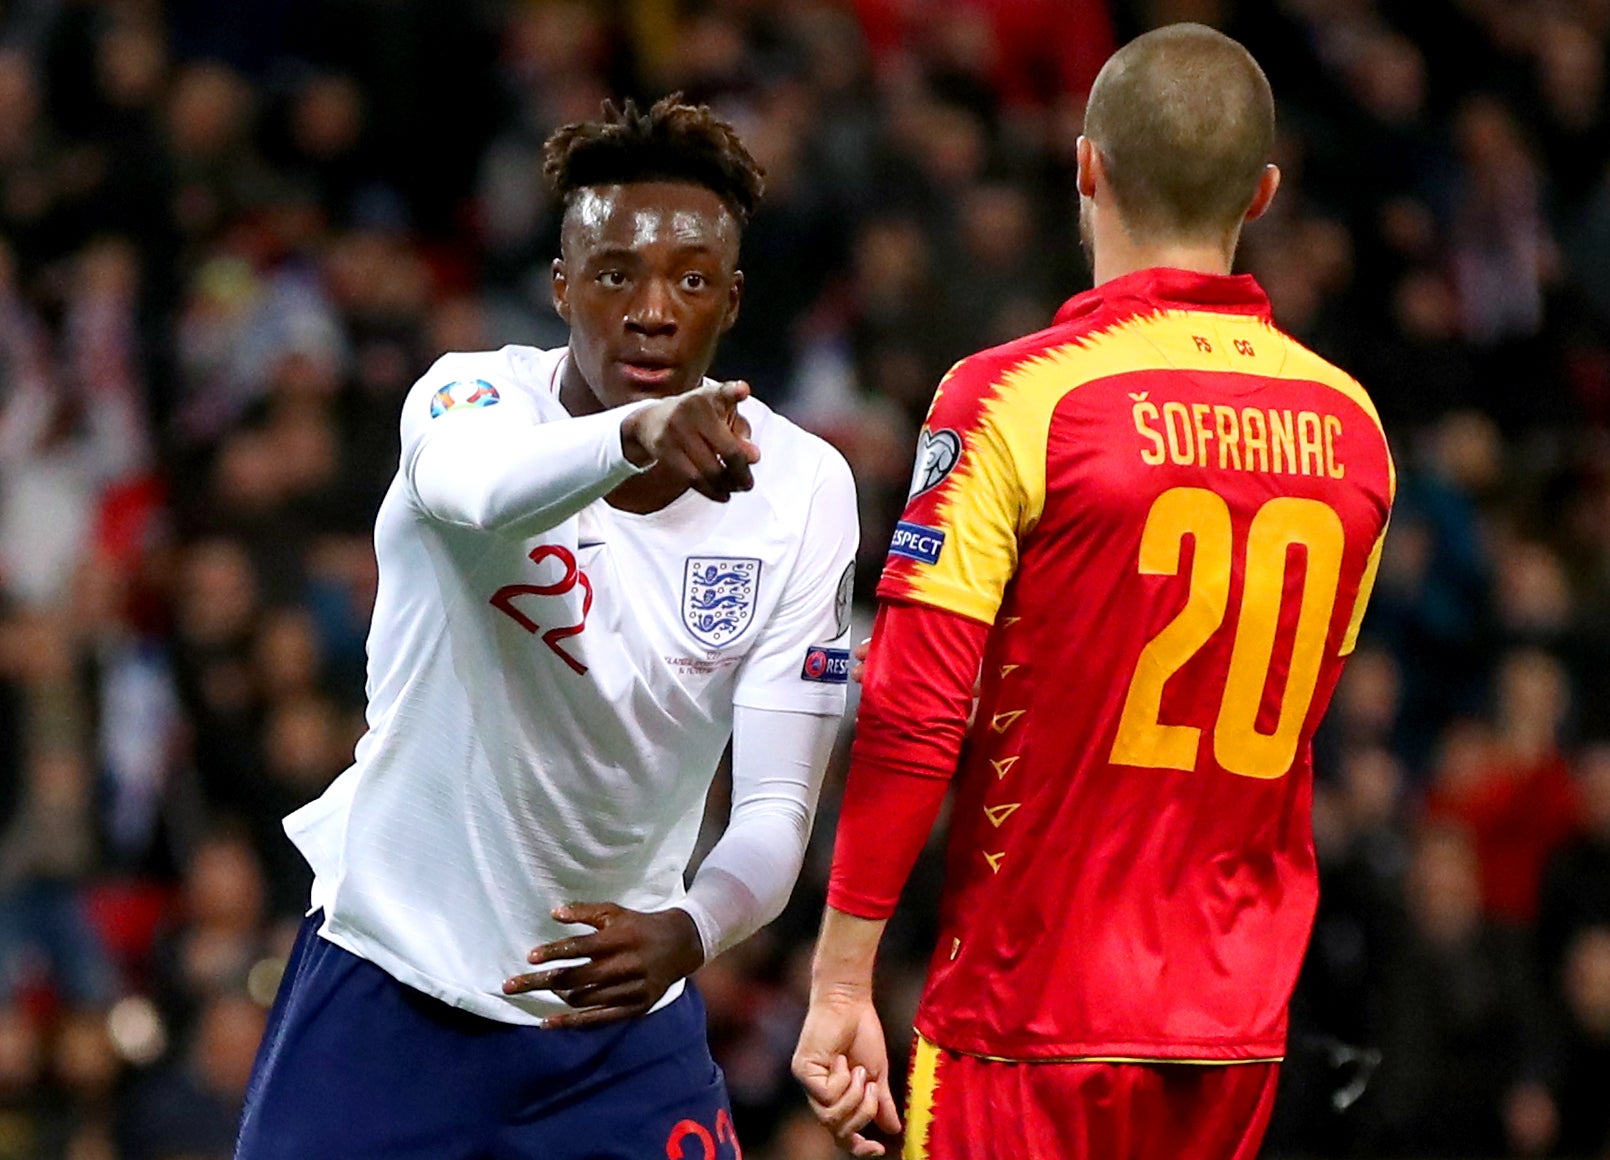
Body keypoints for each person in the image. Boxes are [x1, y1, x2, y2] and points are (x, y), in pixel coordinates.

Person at [792, 24, 1393, 1160]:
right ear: (1260, 193)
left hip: (1033, 1014)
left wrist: (839, 977)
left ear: (1084, 166)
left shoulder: (1013, 397)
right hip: (1233, 1026)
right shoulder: (1353, 429)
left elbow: (915, 707)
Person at [236, 97, 859, 1159]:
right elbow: (473, 489)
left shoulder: (803, 487)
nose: (652, 309)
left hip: (617, 1030)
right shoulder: (468, 398)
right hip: (394, 994)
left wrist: (693, 929)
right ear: (562, 285)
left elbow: (774, 804)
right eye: (615, 272)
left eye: (690, 279)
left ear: (732, 301)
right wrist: (636, 433)